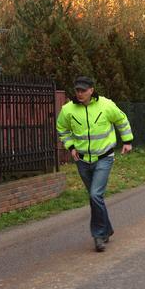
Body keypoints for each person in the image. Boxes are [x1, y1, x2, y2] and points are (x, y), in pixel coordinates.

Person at [56, 76, 133, 252]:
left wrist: (127, 141)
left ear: (92, 90)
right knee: (94, 197)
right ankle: (107, 229)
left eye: (83, 90)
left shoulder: (106, 105)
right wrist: (71, 146)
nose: (80, 93)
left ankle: (98, 236)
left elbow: (121, 120)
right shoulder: (68, 110)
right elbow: (62, 129)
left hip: (104, 157)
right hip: (82, 160)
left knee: (95, 195)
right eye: (77, 90)